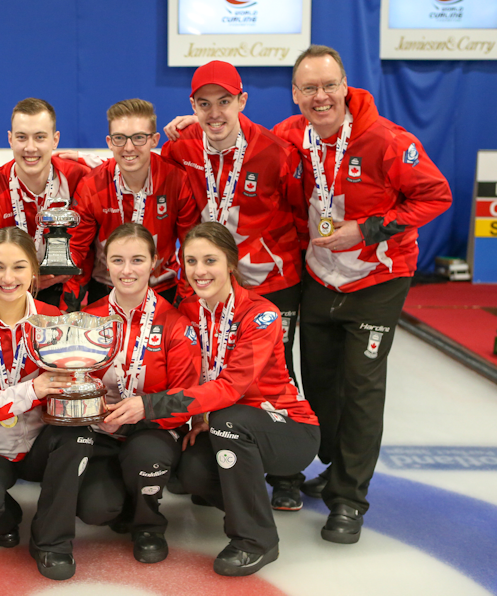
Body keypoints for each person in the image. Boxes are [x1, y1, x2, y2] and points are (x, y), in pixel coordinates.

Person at [272, 45, 451, 543]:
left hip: (377, 281)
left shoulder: (388, 141)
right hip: (319, 276)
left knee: (363, 388)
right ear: (295, 94)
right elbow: (243, 142)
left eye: (329, 85)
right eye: (309, 87)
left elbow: (436, 195)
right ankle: (333, 465)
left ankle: (349, 500)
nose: (320, 96)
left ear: (345, 86)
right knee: (322, 386)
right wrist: (187, 126)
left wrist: (370, 230)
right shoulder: (291, 136)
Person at [105, 222, 319, 576]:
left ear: (231, 263)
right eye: (191, 261)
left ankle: (256, 540)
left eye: (210, 260)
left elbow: (231, 388)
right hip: (225, 423)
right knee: (188, 470)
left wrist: (150, 404)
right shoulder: (188, 312)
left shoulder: (261, 314)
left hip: (288, 427)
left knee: (229, 421)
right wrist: (199, 419)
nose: (199, 271)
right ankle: (247, 504)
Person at [160, 61, 308, 510]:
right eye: (203, 104)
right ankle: (209, 451)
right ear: (192, 107)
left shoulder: (276, 151)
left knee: (274, 372)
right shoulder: (181, 147)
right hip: (206, 281)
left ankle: (287, 472)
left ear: (242, 101)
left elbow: (300, 215)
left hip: (271, 283)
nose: (214, 112)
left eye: (224, 101)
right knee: (208, 357)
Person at [0, 227, 94, 581]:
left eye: (19, 267)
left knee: (78, 435)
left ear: (35, 273)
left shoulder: (53, 318)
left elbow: (70, 384)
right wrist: (31, 390)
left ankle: (52, 543)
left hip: (41, 441)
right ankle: (5, 516)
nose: (8, 278)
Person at [80, 223, 201, 564]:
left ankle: (149, 524)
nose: (127, 270)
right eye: (117, 260)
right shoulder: (88, 318)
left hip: (153, 430)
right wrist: (93, 407)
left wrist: (143, 408)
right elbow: (74, 381)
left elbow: (184, 400)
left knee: (146, 455)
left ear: (154, 263)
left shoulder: (175, 323)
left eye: (137, 260)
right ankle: (122, 496)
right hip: (102, 431)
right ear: (106, 264)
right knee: (95, 510)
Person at [62, 100, 199, 311]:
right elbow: (77, 250)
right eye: (119, 138)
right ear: (109, 142)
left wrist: (185, 301)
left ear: (154, 140)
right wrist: (69, 305)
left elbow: (191, 249)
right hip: (106, 291)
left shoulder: (176, 181)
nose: (128, 147)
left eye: (138, 138)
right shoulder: (92, 185)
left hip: (162, 291)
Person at [0, 98, 88, 307]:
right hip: (4, 292)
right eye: (22, 137)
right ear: (10, 139)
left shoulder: (77, 178)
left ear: (55, 140)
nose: (30, 148)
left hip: (63, 291)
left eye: (40, 137)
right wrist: (28, 280)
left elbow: (123, 167)